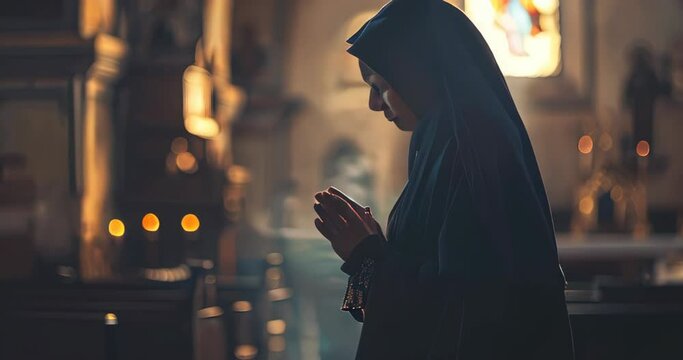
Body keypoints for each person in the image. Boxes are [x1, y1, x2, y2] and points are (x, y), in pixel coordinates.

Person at [312, 0, 574, 358]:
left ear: (418, 73)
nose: (374, 104)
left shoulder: (471, 149)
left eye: (380, 84)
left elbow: (463, 308)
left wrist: (366, 256)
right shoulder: (440, 141)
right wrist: (373, 246)